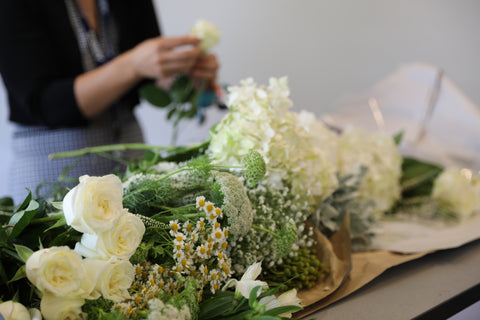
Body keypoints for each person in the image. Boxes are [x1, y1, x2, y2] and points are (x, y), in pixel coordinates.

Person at [0, 0, 219, 203]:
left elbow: (149, 80)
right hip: (52, 175)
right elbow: (44, 103)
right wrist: (132, 64)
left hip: (131, 165)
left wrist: (187, 78)